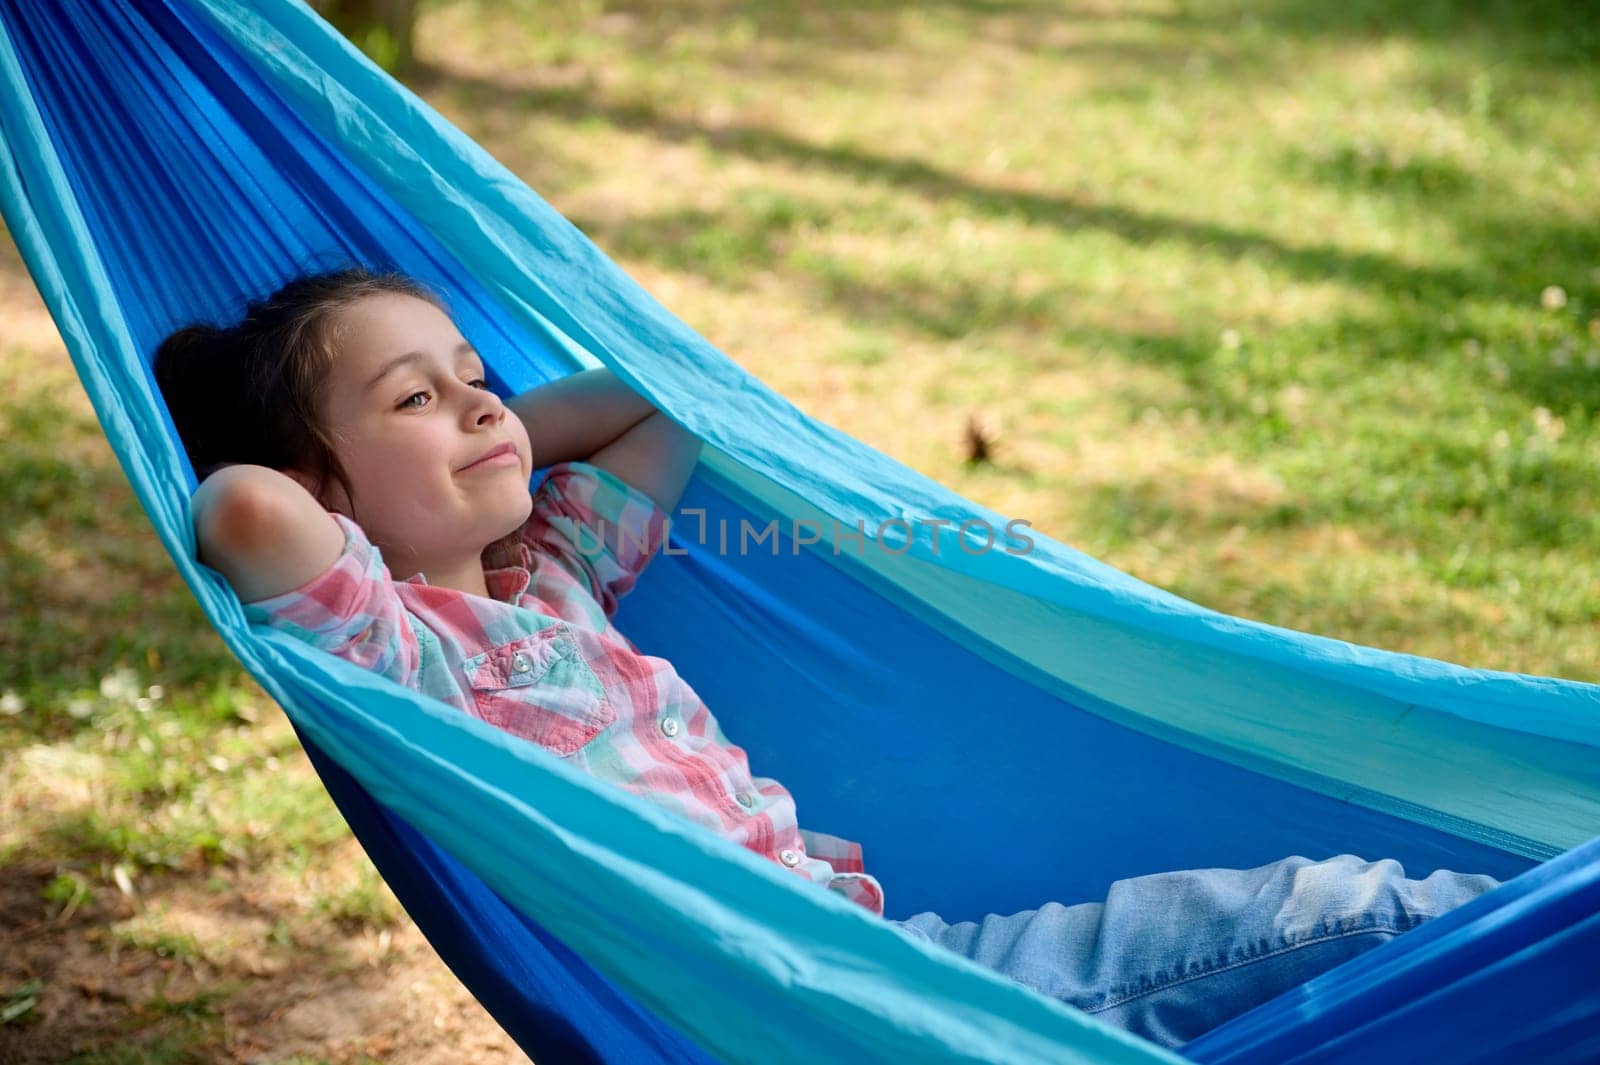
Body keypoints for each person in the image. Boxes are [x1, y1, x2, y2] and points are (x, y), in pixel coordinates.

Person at [154, 266, 1500, 1049]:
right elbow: (240, 513)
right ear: (328, 480)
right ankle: (1545, 925)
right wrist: (365, 476)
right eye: (416, 398)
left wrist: (484, 428)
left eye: (474, 373)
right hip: (844, 1000)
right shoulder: (400, 649)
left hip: (886, 965)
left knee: (1281, 984)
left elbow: (656, 403)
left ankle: (1540, 947)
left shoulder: (555, 577)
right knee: (1334, 913)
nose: (478, 404)